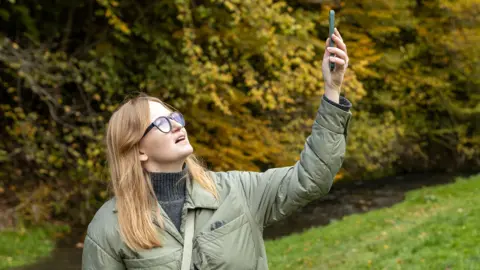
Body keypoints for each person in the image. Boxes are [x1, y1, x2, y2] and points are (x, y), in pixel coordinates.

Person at [82, 28, 351, 270]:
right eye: (162, 123)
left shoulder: (238, 192)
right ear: (138, 150)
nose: (177, 126)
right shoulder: (109, 227)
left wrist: (332, 91)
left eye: (175, 118)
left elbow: (312, 178)